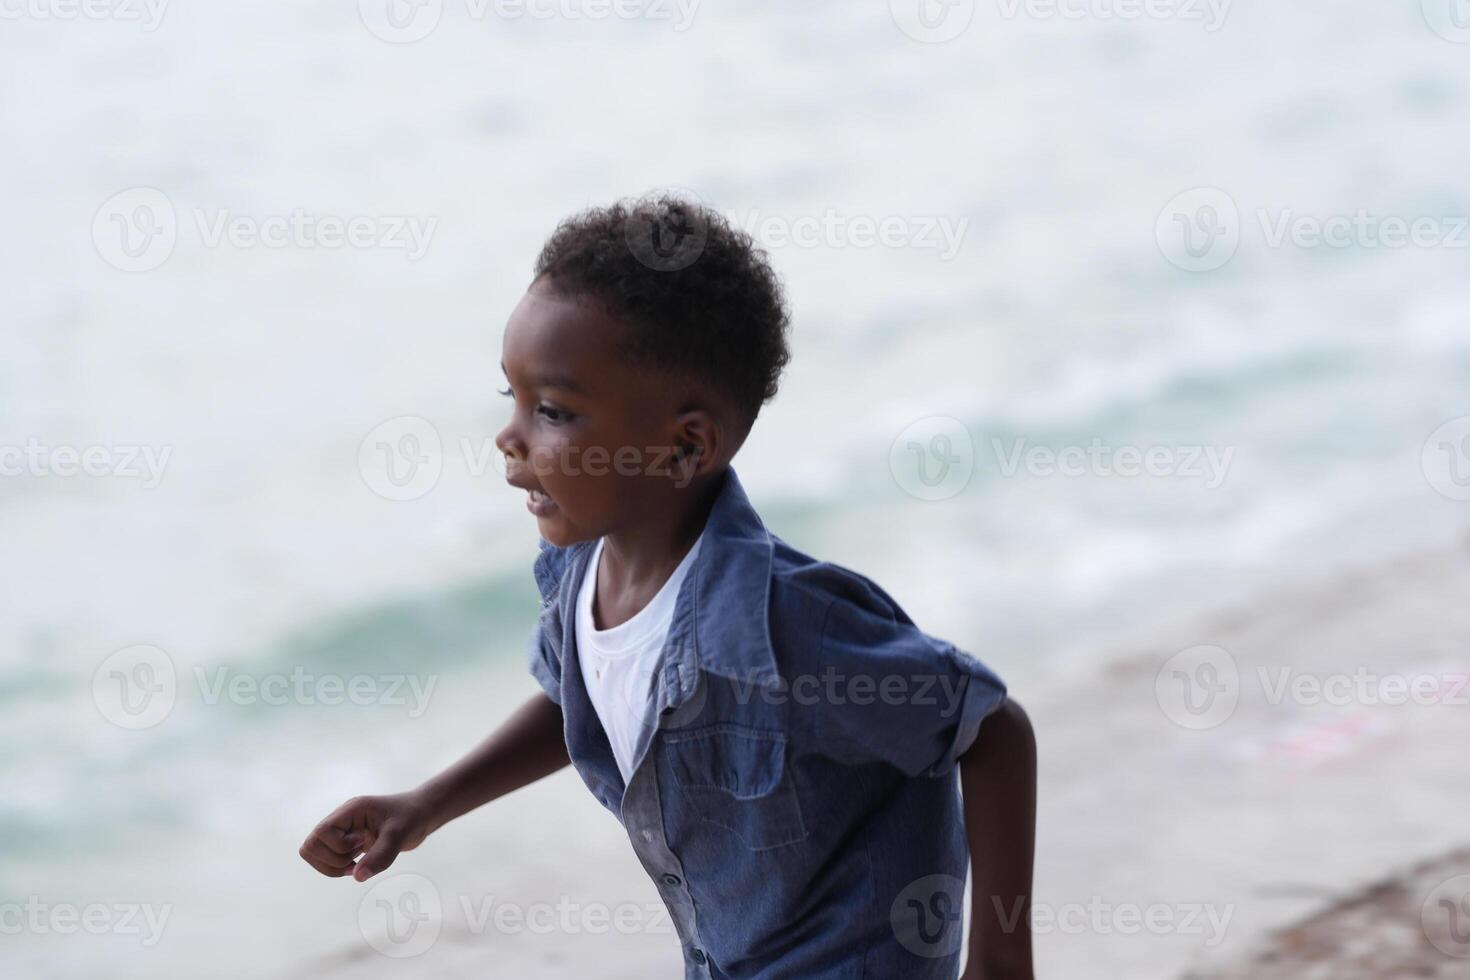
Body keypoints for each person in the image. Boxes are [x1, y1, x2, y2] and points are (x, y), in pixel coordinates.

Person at [299, 195, 1038, 979]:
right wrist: (425, 805)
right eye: (509, 399)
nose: (509, 437)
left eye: (551, 410)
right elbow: (579, 697)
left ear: (684, 446)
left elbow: (987, 727)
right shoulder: (580, 575)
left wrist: (999, 960)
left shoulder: (797, 630)